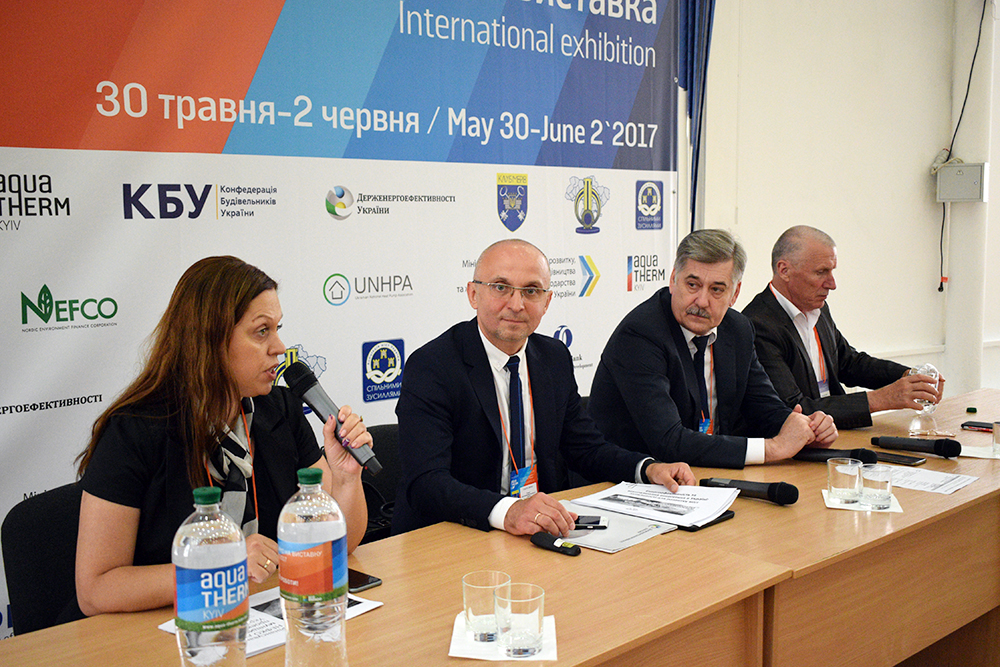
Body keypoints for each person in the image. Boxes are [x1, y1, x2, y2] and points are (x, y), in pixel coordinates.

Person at [74, 256, 370, 616]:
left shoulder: (280, 410)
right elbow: (96, 589)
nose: (279, 346)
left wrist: (346, 478)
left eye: (277, 328)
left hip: (258, 617)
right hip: (168, 628)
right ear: (209, 338)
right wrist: (219, 567)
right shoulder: (135, 430)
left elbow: (341, 543)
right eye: (262, 331)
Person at [392, 239, 695, 537]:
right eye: (501, 287)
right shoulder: (433, 366)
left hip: (536, 529)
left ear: (547, 302)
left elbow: (586, 448)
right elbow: (426, 482)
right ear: (473, 294)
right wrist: (508, 511)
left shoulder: (553, 357)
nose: (516, 304)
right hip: (455, 533)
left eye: (531, 291)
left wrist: (647, 469)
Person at [588, 229, 837, 469]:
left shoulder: (738, 329)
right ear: (673, 280)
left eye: (716, 289)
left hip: (708, 475)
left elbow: (764, 408)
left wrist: (805, 429)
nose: (702, 301)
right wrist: (772, 448)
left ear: (735, 294)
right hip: (630, 481)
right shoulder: (641, 335)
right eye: (692, 285)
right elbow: (669, 441)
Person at [741, 225, 943, 429]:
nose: (832, 284)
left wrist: (908, 377)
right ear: (784, 270)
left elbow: (848, 363)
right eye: (821, 272)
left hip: (835, 432)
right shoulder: (758, 325)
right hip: (796, 441)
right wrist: (881, 399)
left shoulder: (817, 308)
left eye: (831, 271)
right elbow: (792, 408)